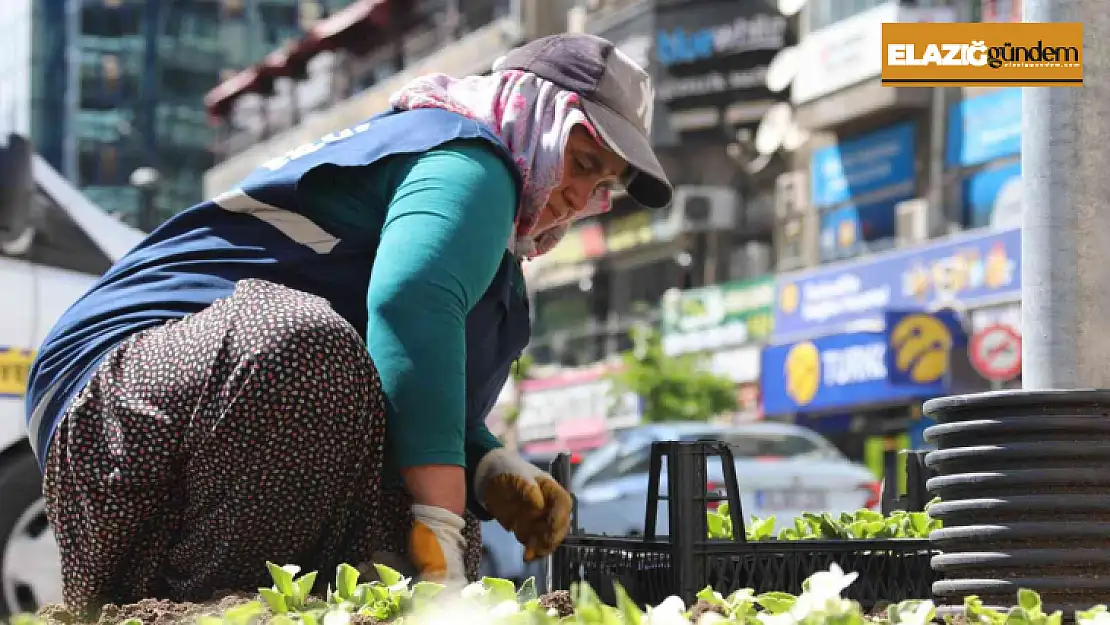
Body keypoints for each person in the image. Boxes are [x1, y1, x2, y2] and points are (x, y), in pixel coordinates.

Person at [26, 33, 673, 612]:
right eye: (583, 161)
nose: (579, 197)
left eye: (602, 187)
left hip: (154, 438)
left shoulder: (480, 217)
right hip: (112, 402)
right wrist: (439, 519)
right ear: (532, 116)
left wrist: (483, 464)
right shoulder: (470, 162)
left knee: (424, 492)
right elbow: (409, 306)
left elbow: (393, 364)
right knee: (323, 371)